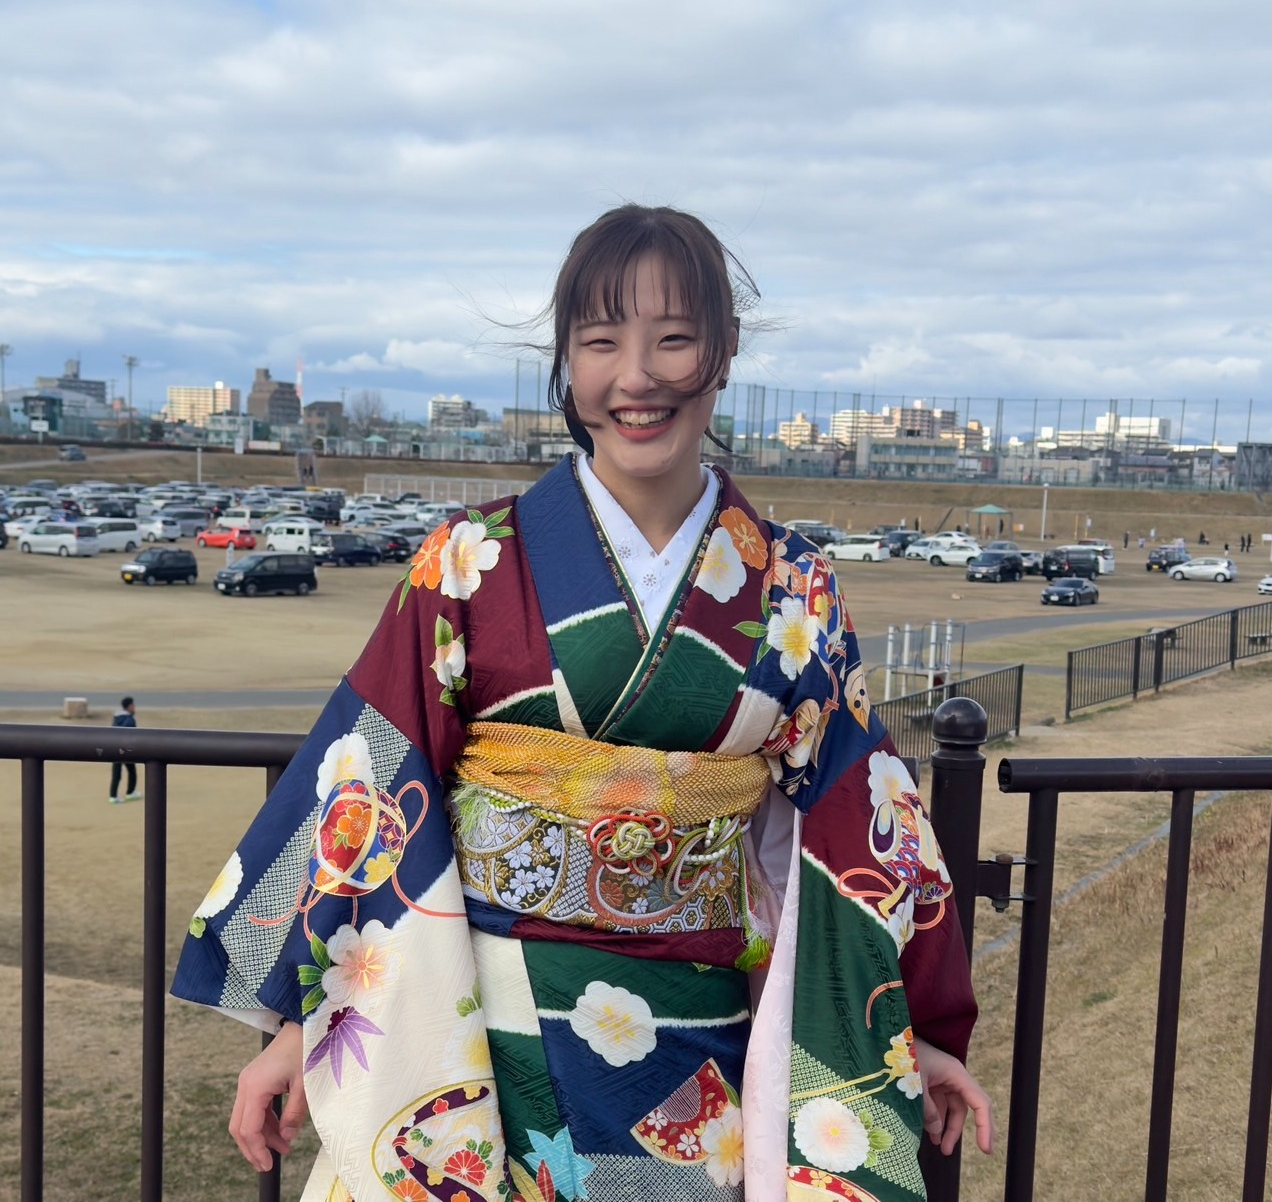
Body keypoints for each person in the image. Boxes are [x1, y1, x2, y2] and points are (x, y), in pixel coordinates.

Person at [172, 205, 992, 1200]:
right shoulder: (470, 561)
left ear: (724, 352)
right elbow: (371, 779)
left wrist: (916, 1028)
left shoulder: (795, 586)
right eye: (600, 342)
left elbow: (861, 814)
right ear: (566, 363)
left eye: (673, 339)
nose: (636, 377)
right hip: (483, 1041)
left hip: (691, 1055)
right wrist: (306, 1026)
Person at [109, 696, 140, 803]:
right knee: (132, 771)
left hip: (114, 747)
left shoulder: (116, 717)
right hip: (126, 749)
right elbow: (131, 735)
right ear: (130, 706)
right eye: (133, 705)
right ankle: (130, 793)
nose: (134, 707)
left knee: (116, 773)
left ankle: (113, 796)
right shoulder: (129, 719)